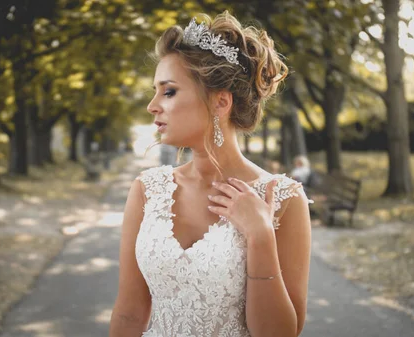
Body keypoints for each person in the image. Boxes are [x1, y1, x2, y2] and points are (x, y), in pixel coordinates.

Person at [110, 12, 312, 337]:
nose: (152, 105)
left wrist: (260, 235)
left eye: (169, 91)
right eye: (155, 91)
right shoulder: (147, 190)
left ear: (220, 102)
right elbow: (129, 315)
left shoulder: (285, 199)